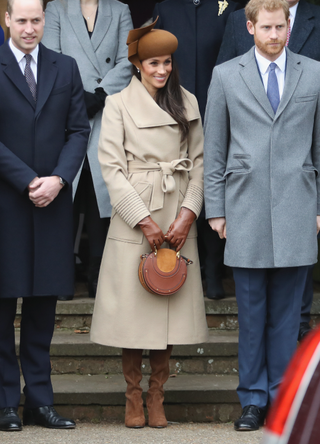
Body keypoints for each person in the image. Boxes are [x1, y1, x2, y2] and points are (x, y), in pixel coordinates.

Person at [204, 0, 320, 432]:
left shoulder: (314, 73)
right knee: (251, 315)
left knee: (289, 317)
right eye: (266, 27)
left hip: (298, 206)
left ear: (289, 27)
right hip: (244, 208)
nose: (274, 35)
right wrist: (215, 208)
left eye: (280, 27)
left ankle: (282, 397)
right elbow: (214, 148)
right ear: (250, 27)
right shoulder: (225, 75)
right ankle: (252, 400)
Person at [90, 19, 208, 428]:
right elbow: (111, 168)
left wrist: (188, 214)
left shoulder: (187, 102)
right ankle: (133, 397)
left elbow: (200, 165)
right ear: (138, 64)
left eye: (167, 62)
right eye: (154, 62)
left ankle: (158, 395)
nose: (162, 70)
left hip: (176, 214)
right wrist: (143, 220)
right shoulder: (118, 104)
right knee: (132, 313)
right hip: (135, 216)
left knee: (168, 305)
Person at [0, 0, 90, 432]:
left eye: (36, 20)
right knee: (1, 309)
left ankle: (39, 401)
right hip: (6, 204)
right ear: (7, 20)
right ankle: (4, 403)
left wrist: (57, 179)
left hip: (52, 205)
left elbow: (78, 130)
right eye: (22, 20)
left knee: (42, 312)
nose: (30, 28)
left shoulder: (65, 67)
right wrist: (28, 180)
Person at [153, 0, 243, 301]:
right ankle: (178, 268)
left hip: (218, 109)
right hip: (172, 111)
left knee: (213, 186)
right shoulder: (165, 8)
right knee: (179, 189)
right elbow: (157, 60)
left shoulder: (230, 7)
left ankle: (214, 272)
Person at [42, 0, 133, 299]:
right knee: (67, 191)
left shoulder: (120, 9)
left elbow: (128, 58)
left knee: (100, 194)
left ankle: (97, 274)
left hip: (106, 110)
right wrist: (78, 98)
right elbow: (50, 57)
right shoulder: (56, 8)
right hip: (65, 110)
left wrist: (102, 93)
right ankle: (61, 274)